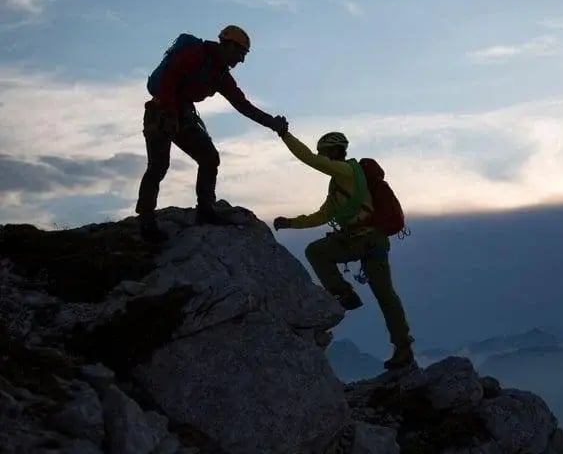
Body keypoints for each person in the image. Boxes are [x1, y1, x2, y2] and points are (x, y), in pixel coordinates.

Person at [272, 130, 416, 370]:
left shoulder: (346, 172)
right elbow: (324, 215)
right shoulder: (340, 183)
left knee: (317, 252)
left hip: (365, 240)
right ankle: (402, 347)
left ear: (335, 151)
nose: (322, 157)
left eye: (324, 152)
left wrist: (284, 134)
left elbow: (309, 159)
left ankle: (346, 295)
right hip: (371, 241)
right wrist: (291, 223)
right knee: (385, 295)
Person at [135, 25, 287, 242]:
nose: (242, 60)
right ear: (229, 46)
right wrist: (169, 114)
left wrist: (272, 123)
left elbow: (242, 105)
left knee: (209, 158)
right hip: (160, 111)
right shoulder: (196, 54)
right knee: (158, 165)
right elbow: (169, 77)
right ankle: (146, 220)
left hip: (182, 115)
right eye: (241, 53)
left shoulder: (220, 75)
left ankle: (206, 210)